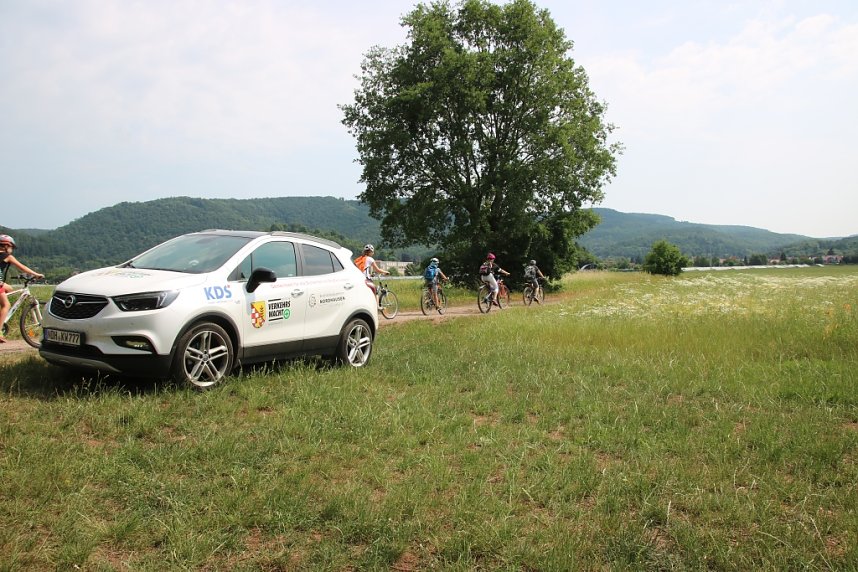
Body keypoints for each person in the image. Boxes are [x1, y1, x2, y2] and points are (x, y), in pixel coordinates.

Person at [0, 234, 45, 343]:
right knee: (6, 305)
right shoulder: (7, 256)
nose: (12, 250)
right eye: (11, 247)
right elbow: (22, 267)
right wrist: (36, 274)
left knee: (9, 288)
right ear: (6, 245)